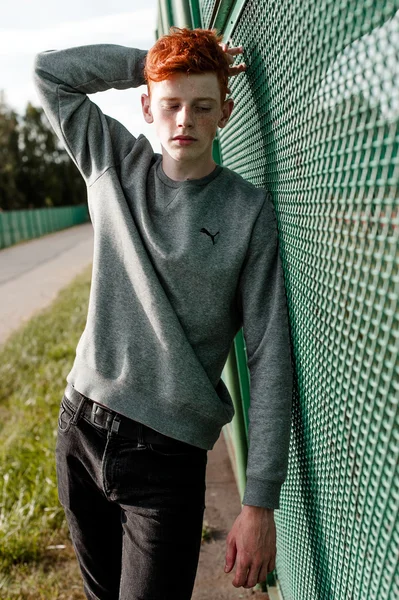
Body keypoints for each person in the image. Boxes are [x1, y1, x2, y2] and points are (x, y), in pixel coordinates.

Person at [33, 26, 293, 600]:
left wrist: (259, 503)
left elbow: (270, 354)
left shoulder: (248, 213)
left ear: (225, 112)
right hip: (81, 426)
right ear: (147, 105)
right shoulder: (113, 163)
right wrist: (149, 63)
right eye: (171, 104)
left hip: (167, 457)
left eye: (202, 107)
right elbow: (49, 74)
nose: (184, 121)